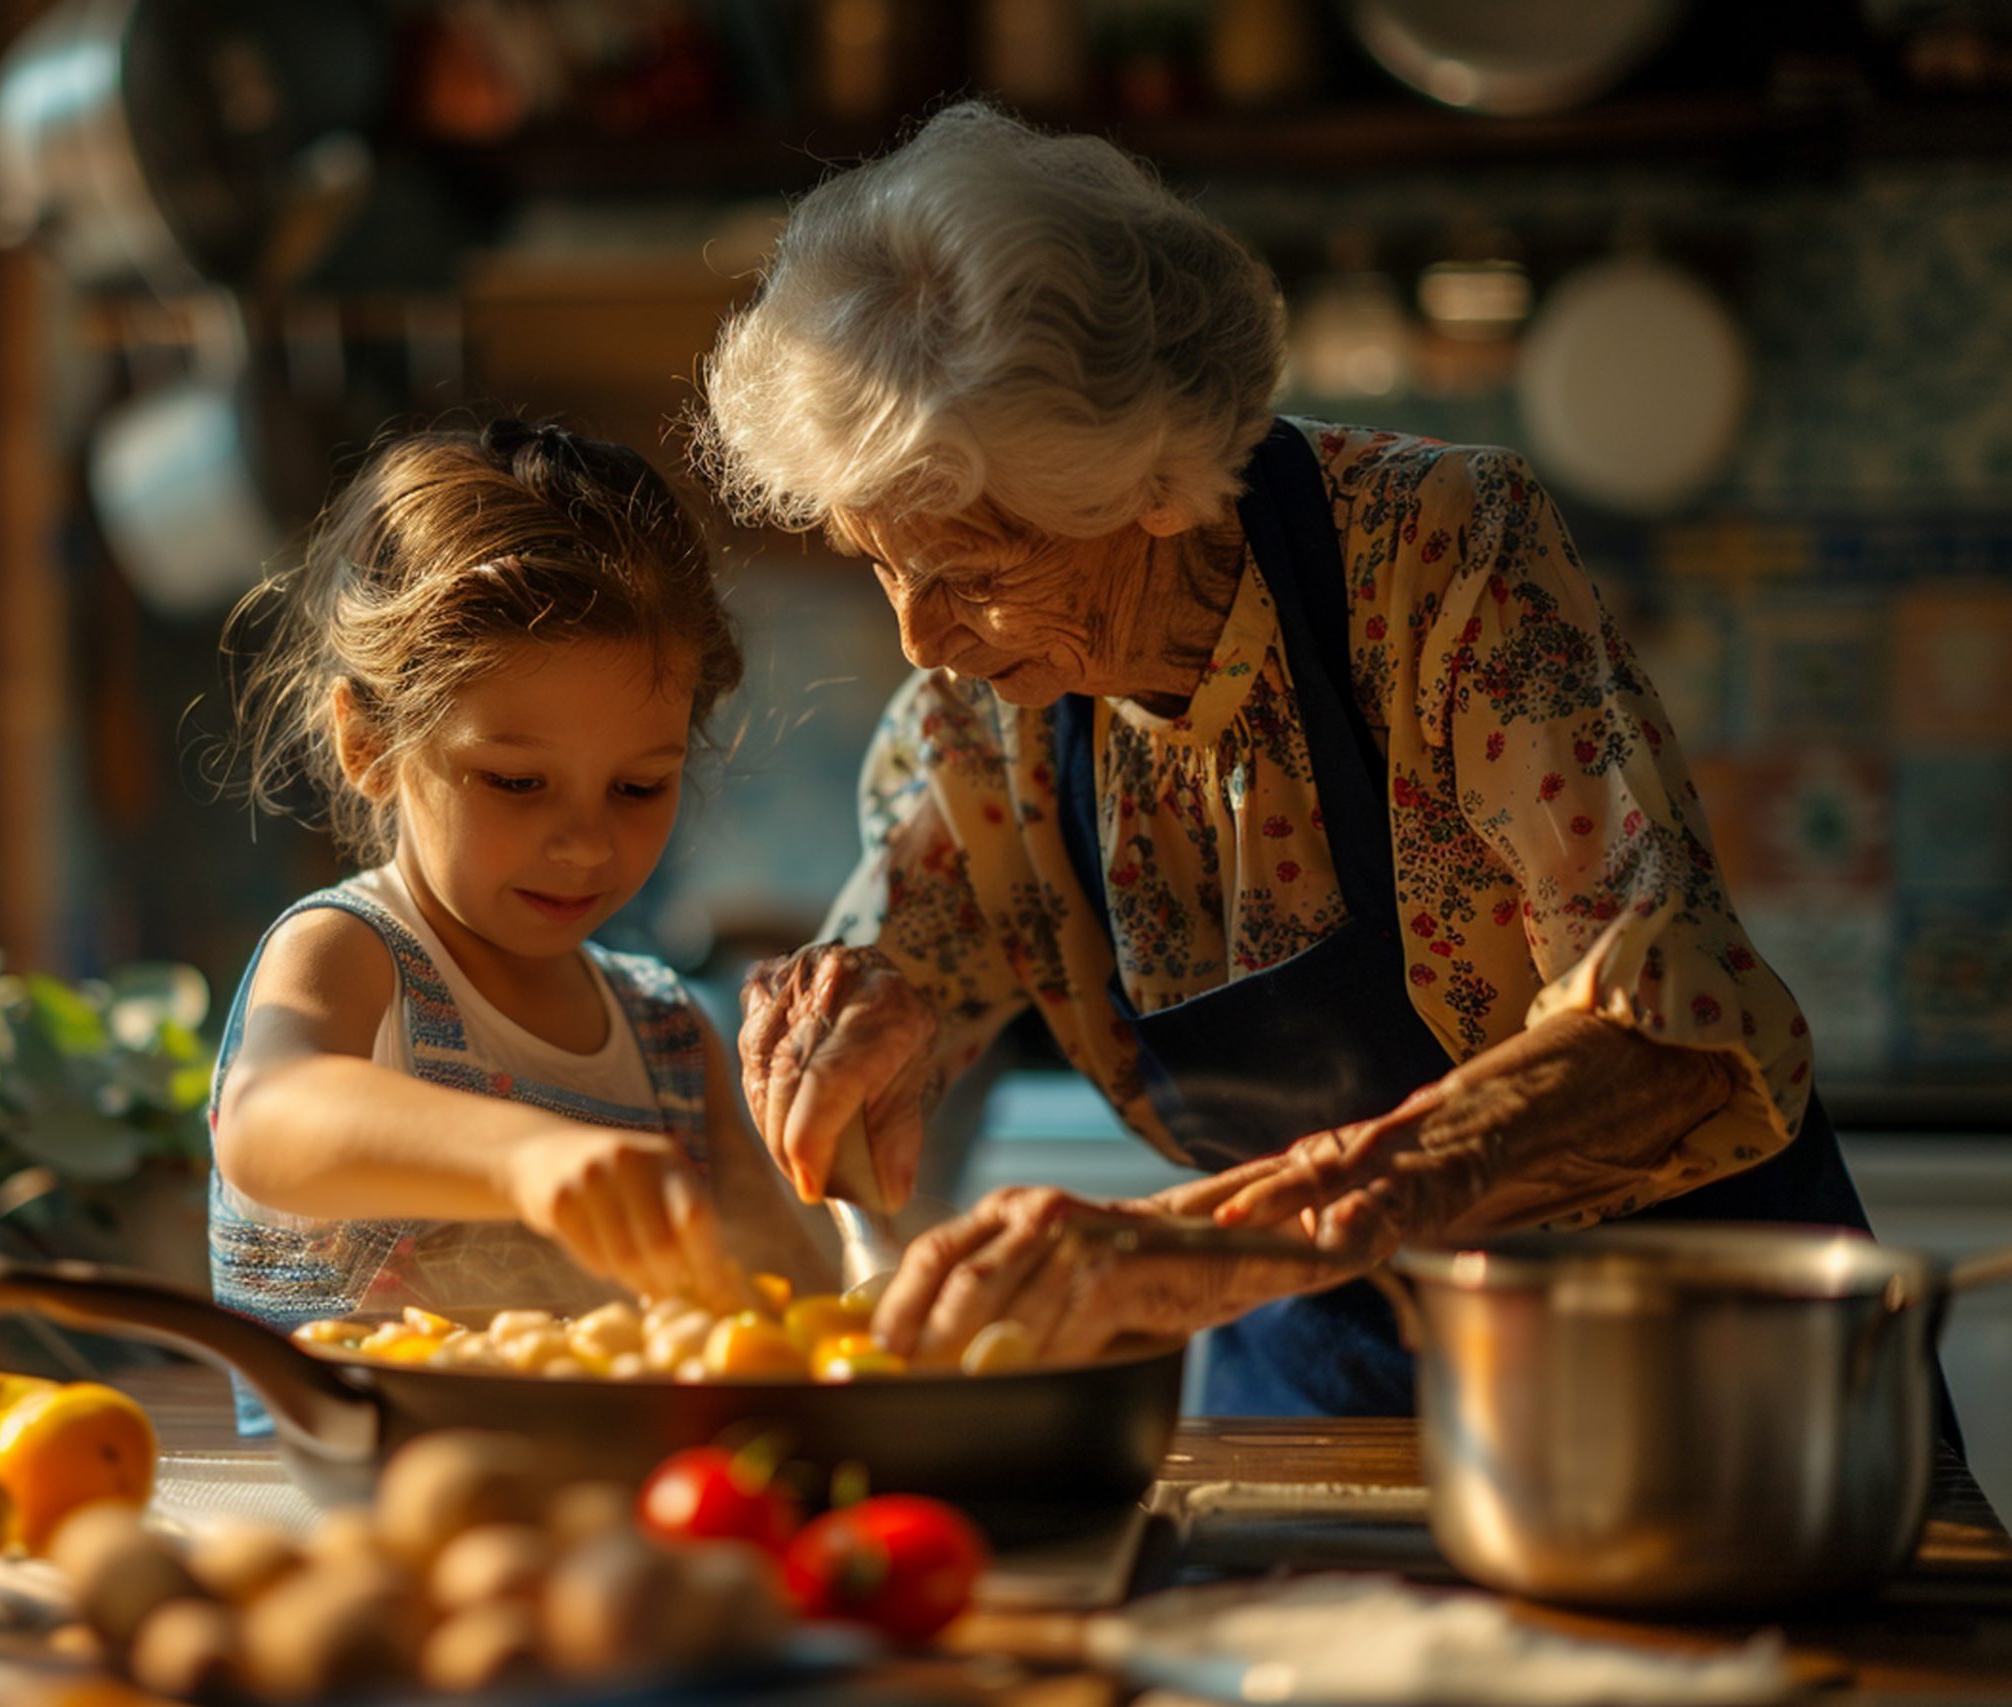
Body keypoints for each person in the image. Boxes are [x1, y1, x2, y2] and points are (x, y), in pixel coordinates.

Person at [698, 103, 1876, 1418]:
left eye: (973, 568)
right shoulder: (980, 713)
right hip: (1320, 1367)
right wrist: (853, 1015)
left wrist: (1217, 1236)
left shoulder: (1439, 557)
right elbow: (905, 962)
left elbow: (1673, 1030)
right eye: (879, 562)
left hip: (1666, 1361)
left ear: (1150, 475)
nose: (919, 633)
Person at [209, 417, 818, 1431]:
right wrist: (526, 1159)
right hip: (361, 1543)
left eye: (637, 786)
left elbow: (786, 1308)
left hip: (617, 1548)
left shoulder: (669, 1041)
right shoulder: (352, 956)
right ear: (366, 743)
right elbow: (268, 1122)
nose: (583, 842)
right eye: (517, 781)